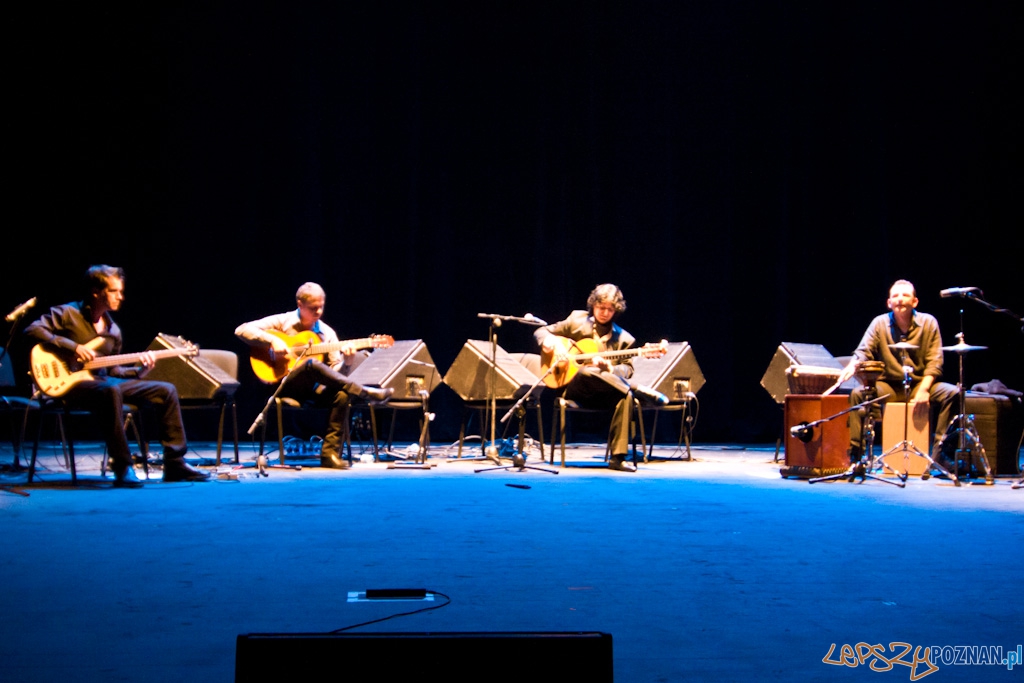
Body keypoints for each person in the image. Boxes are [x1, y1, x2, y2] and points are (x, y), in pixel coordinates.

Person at [25, 265, 209, 487]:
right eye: (114, 291)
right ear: (96, 291)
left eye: (121, 291)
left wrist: (140, 371)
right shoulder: (66, 314)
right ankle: (122, 467)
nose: (120, 297)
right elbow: (32, 330)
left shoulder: (113, 331)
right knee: (110, 390)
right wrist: (73, 347)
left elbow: (114, 372)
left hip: (101, 383)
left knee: (165, 390)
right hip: (68, 386)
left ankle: (174, 463)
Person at [234, 282, 393, 469]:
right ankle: (365, 392)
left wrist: (347, 362)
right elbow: (241, 330)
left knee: (341, 393)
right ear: (300, 304)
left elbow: (335, 375)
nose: (318, 312)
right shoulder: (282, 321)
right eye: (313, 308)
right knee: (309, 364)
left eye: (321, 307)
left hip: (313, 391)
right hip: (284, 386)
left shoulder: (327, 334)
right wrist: (273, 340)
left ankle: (329, 455)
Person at [534, 283, 667, 471]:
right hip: (575, 388)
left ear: (616, 310)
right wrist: (550, 342)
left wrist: (610, 369)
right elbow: (542, 330)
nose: (604, 312)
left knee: (624, 396)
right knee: (586, 371)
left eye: (610, 309)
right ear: (593, 305)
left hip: (605, 391)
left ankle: (618, 458)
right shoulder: (575, 320)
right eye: (601, 307)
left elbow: (627, 369)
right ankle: (636, 389)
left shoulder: (625, 339)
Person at [835, 279, 958, 461]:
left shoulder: (929, 322)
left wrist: (924, 389)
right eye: (895, 296)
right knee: (858, 394)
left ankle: (940, 454)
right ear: (889, 302)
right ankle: (856, 456)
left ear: (915, 302)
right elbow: (863, 350)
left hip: (919, 384)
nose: (900, 299)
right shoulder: (879, 323)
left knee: (952, 393)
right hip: (889, 387)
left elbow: (935, 362)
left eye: (905, 295)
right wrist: (853, 364)